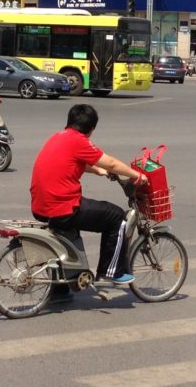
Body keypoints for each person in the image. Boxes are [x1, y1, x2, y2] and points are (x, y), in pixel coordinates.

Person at [30, 104, 148, 284]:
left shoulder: (58, 137)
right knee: (116, 217)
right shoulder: (79, 141)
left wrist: (97, 170)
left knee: (69, 234)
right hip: (63, 207)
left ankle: (60, 290)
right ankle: (111, 271)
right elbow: (112, 163)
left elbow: (73, 162)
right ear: (91, 129)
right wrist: (137, 175)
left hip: (40, 206)